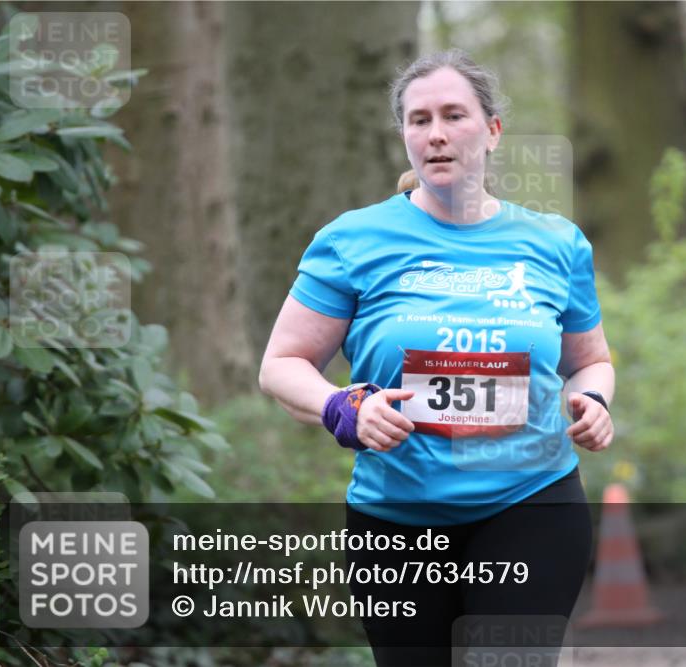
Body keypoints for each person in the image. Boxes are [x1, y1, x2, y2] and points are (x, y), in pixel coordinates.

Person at [259, 49, 614, 666]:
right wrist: (343, 406)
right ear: (404, 136)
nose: (437, 134)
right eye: (419, 120)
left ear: (493, 130)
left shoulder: (556, 243)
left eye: (455, 115)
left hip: (531, 503)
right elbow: (282, 366)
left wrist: (594, 400)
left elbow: (592, 361)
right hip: (396, 518)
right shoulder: (352, 240)